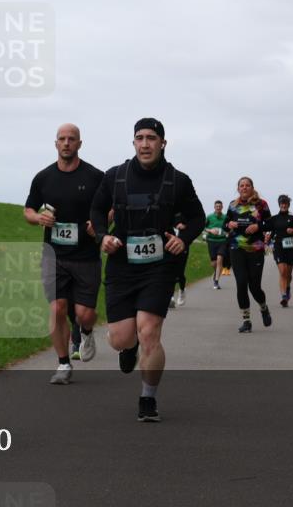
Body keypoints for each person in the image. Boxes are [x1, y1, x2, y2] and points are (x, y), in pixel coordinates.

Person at [90, 118, 204, 422]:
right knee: (121, 338)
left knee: (150, 330)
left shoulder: (178, 180)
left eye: (151, 138)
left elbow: (197, 217)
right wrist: (103, 237)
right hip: (122, 264)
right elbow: (97, 210)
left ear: (163, 143)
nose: (145, 144)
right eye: (139, 138)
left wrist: (184, 239)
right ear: (133, 143)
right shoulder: (115, 176)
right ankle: (129, 348)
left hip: (159, 266)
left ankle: (148, 399)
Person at [24, 124, 104, 385]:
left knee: (84, 314)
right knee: (57, 308)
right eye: (62, 139)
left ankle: (87, 330)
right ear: (55, 143)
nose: (67, 143)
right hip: (53, 255)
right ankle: (63, 363)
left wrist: (99, 225)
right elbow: (28, 211)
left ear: (80, 144)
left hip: (85, 256)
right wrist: (38, 219)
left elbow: (111, 208)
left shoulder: (95, 177)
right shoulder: (43, 178)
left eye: (72, 139)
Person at [223, 177, 272, 333]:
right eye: (241, 185)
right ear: (238, 188)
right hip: (236, 248)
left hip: (255, 249)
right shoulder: (233, 205)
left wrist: (257, 226)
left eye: (247, 185)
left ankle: (263, 308)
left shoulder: (261, 205)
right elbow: (225, 224)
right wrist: (229, 224)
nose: (244, 188)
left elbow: (270, 223)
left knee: (254, 286)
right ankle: (246, 320)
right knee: (241, 283)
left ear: (252, 187)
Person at [263, 194, 293, 307]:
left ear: (288, 204)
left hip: (291, 248)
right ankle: (284, 297)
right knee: (282, 272)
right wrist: (267, 239)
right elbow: (270, 232)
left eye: (286, 203)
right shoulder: (274, 218)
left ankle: (287, 287)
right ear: (279, 205)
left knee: (288, 274)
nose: (284, 205)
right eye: (282, 203)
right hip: (278, 247)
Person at [204, 200, 228, 289]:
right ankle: (216, 273)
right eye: (216, 206)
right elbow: (204, 227)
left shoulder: (225, 217)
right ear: (214, 207)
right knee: (214, 263)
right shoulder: (209, 217)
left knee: (219, 259)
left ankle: (216, 282)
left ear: (222, 207)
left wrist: (227, 233)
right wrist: (210, 230)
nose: (218, 208)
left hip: (222, 241)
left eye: (219, 206)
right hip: (211, 241)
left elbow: (228, 228)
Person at [168, 213, 188, 308]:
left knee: (180, 273)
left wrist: (185, 226)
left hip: (182, 246)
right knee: (170, 272)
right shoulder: (168, 208)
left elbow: (195, 224)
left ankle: (182, 290)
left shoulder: (185, 210)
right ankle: (171, 297)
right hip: (169, 245)